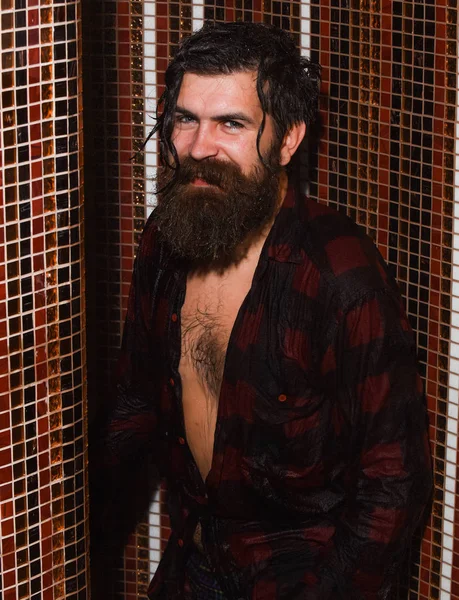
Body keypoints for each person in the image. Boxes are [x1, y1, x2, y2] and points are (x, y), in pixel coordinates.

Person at [100, 21, 432, 600]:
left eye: (232, 123)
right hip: (197, 562)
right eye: (185, 119)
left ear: (286, 140)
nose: (200, 147)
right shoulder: (164, 240)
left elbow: (392, 486)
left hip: (305, 577)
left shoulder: (336, 271)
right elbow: (134, 403)